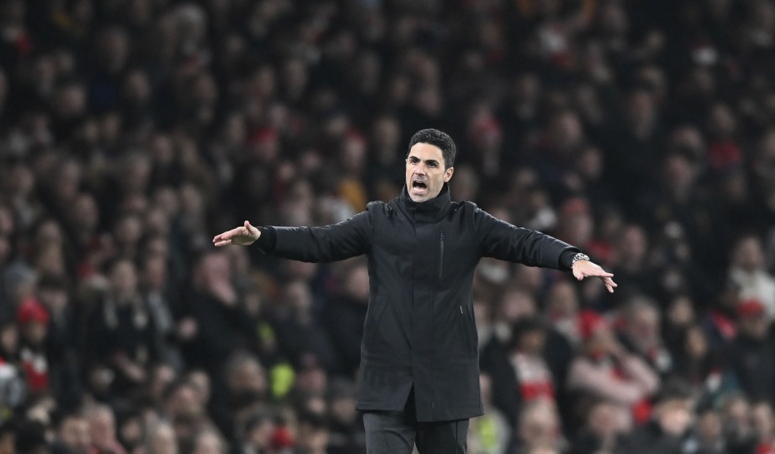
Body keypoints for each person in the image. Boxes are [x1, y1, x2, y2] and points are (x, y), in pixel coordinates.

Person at [213, 129, 616, 454]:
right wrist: (264, 236)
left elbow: (524, 242)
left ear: (448, 173)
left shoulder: (469, 222)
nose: (419, 170)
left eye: (430, 163)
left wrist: (572, 257)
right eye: (413, 161)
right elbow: (321, 242)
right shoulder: (378, 219)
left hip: (447, 378)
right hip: (387, 379)